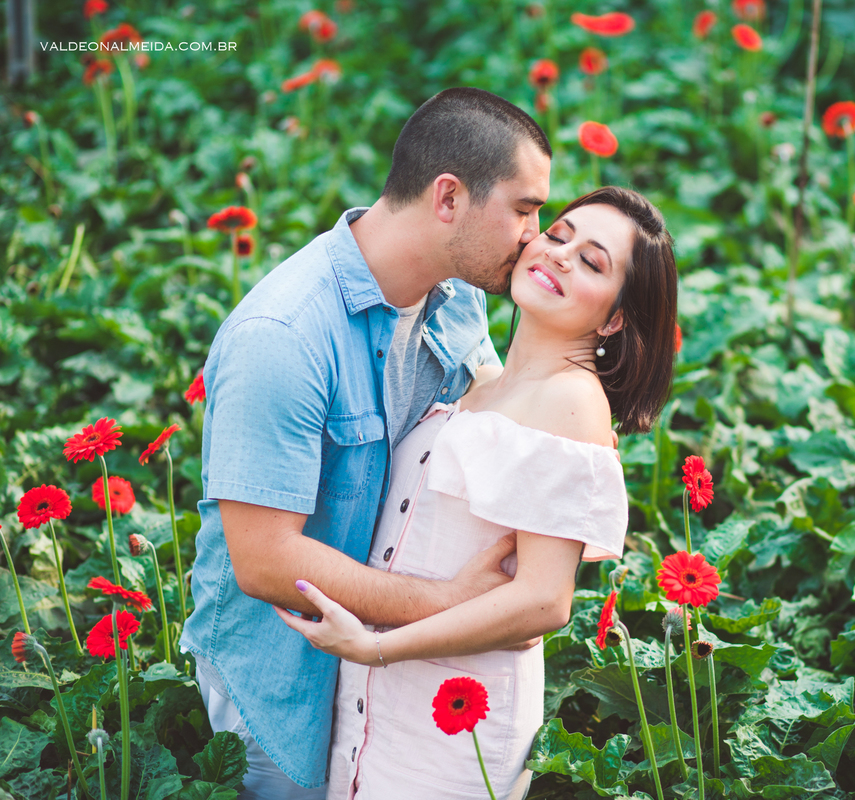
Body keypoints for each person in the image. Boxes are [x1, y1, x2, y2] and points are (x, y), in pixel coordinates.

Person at [179, 88, 556, 798]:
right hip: (284, 679)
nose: (534, 236)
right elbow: (264, 561)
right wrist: (450, 605)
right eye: (525, 210)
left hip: (396, 663)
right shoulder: (283, 337)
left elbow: (496, 433)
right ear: (449, 197)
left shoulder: (459, 297)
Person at [274, 186, 678, 800]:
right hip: (380, 691)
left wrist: (377, 647)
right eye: (559, 234)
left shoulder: (571, 403)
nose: (562, 255)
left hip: (458, 705)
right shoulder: (476, 379)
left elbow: (544, 602)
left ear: (616, 317)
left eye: (594, 262)